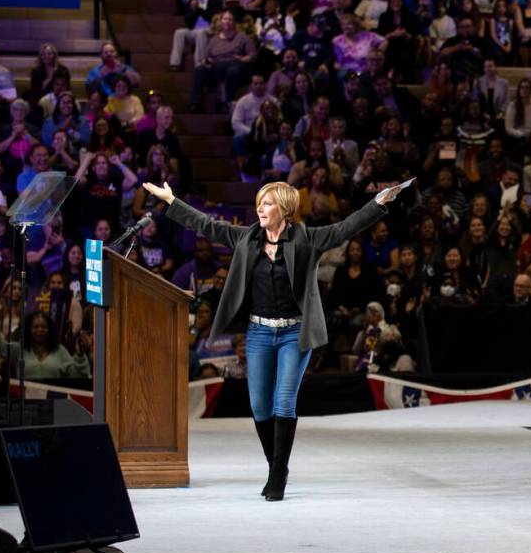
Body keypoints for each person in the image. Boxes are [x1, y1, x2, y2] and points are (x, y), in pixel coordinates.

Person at [141, 178, 403, 501]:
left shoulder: (305, 239)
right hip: (259, 332)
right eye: (259, 203)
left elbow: (344, 229)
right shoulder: (246, 237)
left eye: (267, 203)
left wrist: (378, 203)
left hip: (294, 332)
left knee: (284, 401)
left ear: (285, 209)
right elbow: (206, 226)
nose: (260, 209)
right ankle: (275, 464)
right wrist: (171, 201)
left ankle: (278, 473)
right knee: (260, 406)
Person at [190, 11, 256, 113]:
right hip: (217, 65)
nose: (227, 21)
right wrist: (206, 61)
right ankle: (195, 103)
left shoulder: (242, 37)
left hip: (235, 63)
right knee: (199, 69)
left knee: (232, 70)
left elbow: (252, 54)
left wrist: (242, 59)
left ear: (234, 22)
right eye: (225, 19)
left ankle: (228, 103)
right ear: (221, 22)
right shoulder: (214, 40)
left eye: (230, 19)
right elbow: (206, 57)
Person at [170, 0, 223, 71]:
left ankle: (199, 64)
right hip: (195, 30)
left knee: (201, 32)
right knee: (179, 32)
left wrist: (198, 9)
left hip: (211, 31)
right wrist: (193, 11)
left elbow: (213, 17)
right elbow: (188, 22)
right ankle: (175, 64)